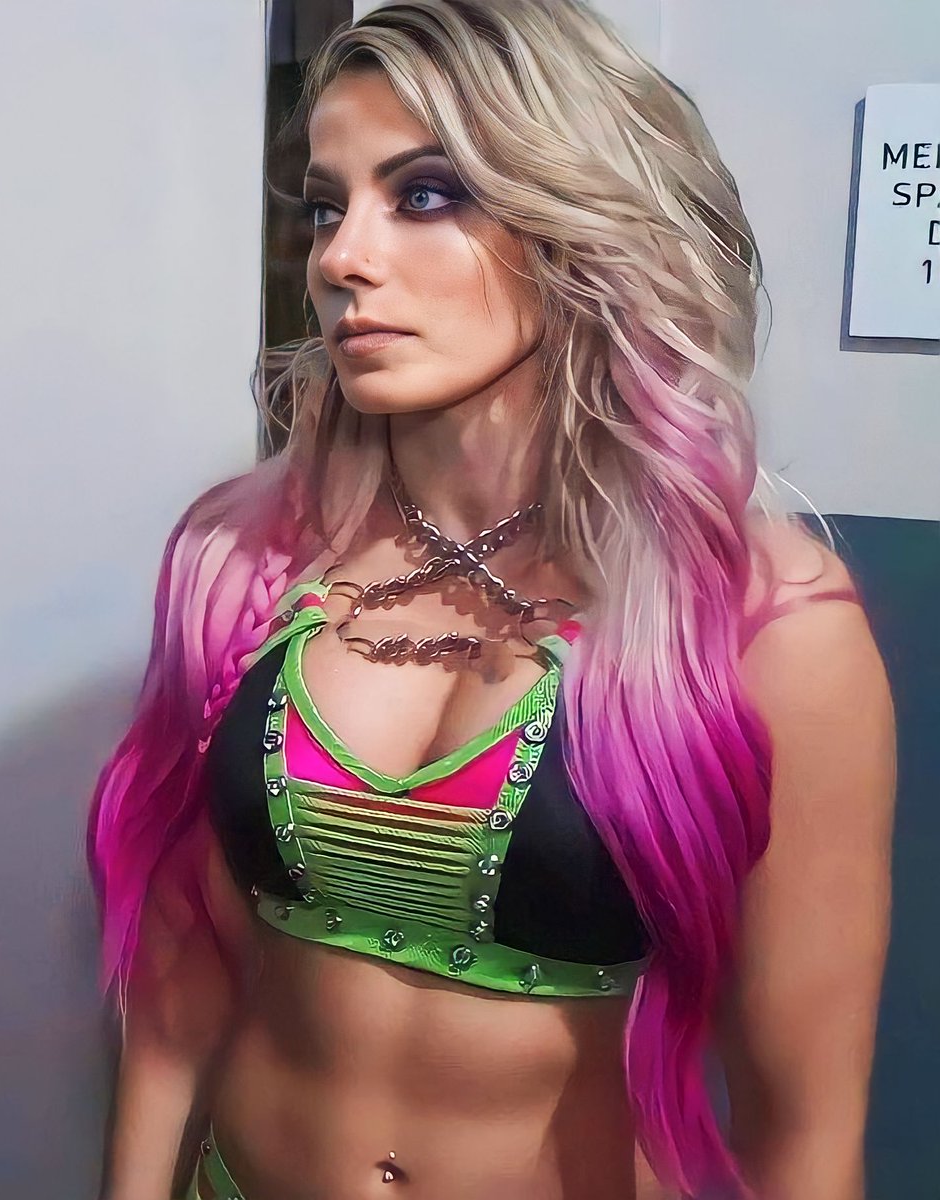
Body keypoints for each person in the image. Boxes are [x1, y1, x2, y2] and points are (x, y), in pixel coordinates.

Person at [87, 3, 897, 1198]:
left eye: (425, 195)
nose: (340, 259)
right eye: (326, 207)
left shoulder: (764, 624)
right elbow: (179, 977)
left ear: (577, 220)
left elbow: (804, 1134)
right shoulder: (246, 559)